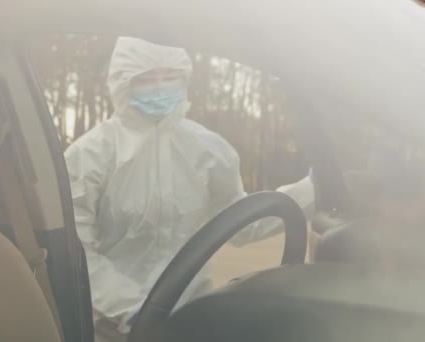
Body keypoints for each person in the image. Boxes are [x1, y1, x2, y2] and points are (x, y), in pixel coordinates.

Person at [65, 37, 315, 342]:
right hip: (112, 331)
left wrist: (313, 190)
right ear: (121, 82)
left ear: (184, 79)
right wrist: (135, 312)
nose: (159, 87)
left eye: (169, 77)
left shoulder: (207, 150)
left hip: (193, 324)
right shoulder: (89, 157)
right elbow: (77, 253)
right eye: (146, 78)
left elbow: (241, 221)